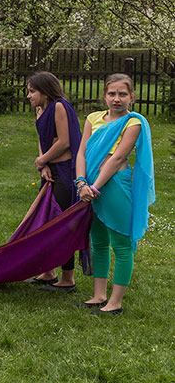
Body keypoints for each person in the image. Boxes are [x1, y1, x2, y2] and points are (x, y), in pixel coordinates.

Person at [75, 74, 155, 315]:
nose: (117, 99)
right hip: (88, 185)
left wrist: (95, 187)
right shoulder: (92, 119)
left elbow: (118, 157)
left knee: (120, 244)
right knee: (98, 242)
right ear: (104, 96)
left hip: (114, 185)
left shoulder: (134, 122)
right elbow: (81, 153)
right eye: (112, 94)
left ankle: (115, 302)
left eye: (122, 94)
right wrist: (80, 183)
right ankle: (99, 295)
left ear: (132, 97)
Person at [24, 71, 82, 291]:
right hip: (51, 170)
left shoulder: (59, 106)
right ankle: (48, 272)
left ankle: (68, 278)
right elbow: (43, 139)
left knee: (61, 223)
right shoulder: (40, 109)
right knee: (46, 220)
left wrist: (41, 159)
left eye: (32, 91)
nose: (29, 96)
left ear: (45, 91)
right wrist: (44, 165)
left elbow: (64, 142)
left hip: (65, 172)